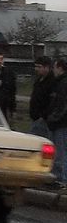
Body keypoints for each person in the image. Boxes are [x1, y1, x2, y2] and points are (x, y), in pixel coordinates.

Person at [44, 58, 67, 188]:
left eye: (54, 68)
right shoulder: (59, 82)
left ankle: (60, 178)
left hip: (60, 123)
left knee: (59, 151)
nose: (53, 70)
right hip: (60, 122)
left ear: (59, 68)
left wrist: (53, 118)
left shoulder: (62, 83)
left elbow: (62, 104)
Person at [28, 55, 55, 139]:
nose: (36, 69)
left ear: (47, 67)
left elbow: (52, 102)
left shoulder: (52, 82)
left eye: (39, 67)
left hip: (43, 119)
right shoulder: (38, 80)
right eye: (36, 66)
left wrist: (43, 115)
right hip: (35, 117)